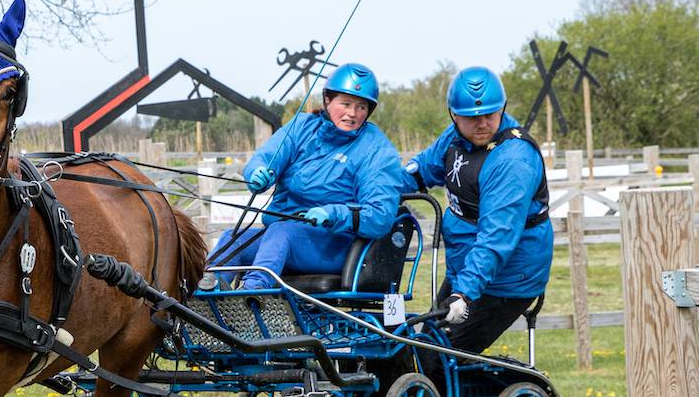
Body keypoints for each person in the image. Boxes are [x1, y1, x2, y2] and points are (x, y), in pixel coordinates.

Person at [203, 62, 405, 291]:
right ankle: (204, 294)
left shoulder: (376, 149)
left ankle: (252, 294)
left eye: (361, 107)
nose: (352, 113)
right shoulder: (301, 127)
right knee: (232, 238)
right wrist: (258, 172)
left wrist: (333, 213)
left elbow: (380, 215)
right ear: (328, 100)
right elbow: (267, 157)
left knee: (282, 231)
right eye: (346, 104)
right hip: (281, 239)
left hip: (337, 246)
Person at [401, 66, 553, 356]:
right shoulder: (455, 139)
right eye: (471, 117)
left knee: (436, 359)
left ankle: (484, 387)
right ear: (454, 116)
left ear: (502, 109)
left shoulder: (513, 160)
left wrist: (464, 293)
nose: (482, 124)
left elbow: (497, 236)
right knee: (424, 348)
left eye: (490, 115)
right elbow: (419, 171)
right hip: (465, 267)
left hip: (506, 279)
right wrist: (377, 196)